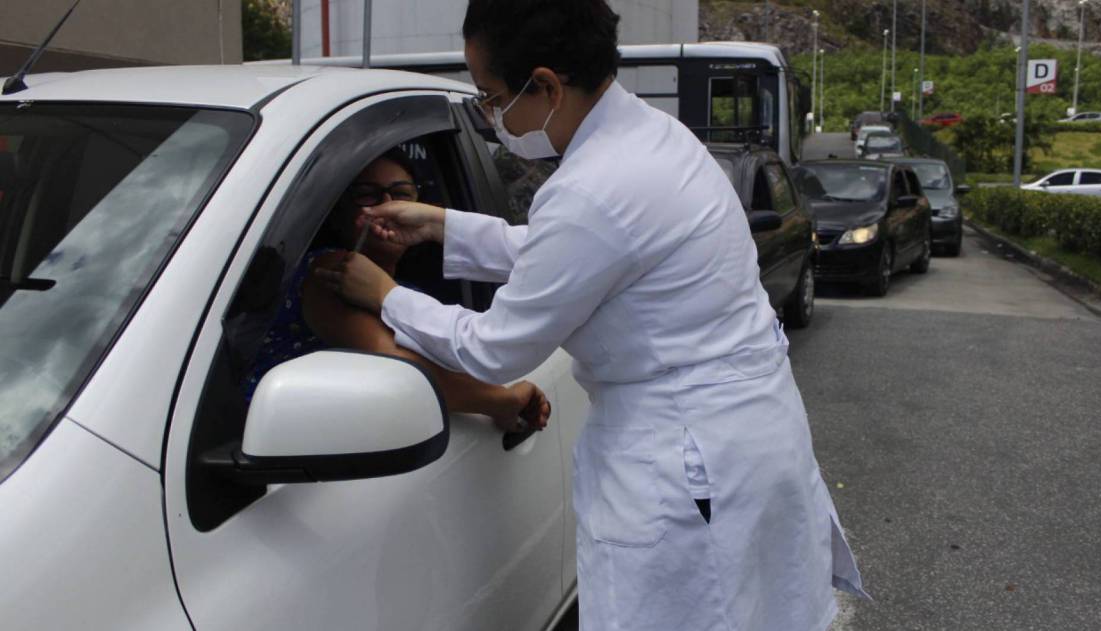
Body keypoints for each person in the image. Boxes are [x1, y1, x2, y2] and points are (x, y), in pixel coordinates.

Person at [316, 1, 866, 628]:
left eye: (491, 99)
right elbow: (587, 256)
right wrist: (443, 225)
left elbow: (495, 349)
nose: (491, 117)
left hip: (687, 459)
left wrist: (385, 294)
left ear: (546, 84)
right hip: (747, 430)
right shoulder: (654, 136)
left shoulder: (590, 189)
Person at [247, 148, 550, 433]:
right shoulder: (331, 271)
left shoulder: (404, 290)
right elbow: (400, 368)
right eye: (367, 195)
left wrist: (387, 292)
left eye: (401, 194)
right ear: (338, 212)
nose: (387, 206)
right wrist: (503, 401)